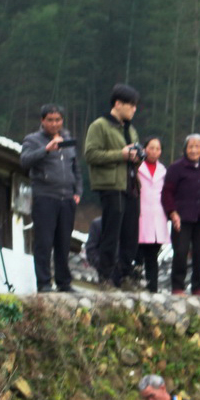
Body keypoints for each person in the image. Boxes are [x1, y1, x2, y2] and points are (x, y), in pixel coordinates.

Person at [18, 105, 81, 294]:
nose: (55, 124)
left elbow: (75, 168)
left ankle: (64, 282)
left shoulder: (67, 139)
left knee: (64, 242)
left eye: (58, 120)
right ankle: (44, 283)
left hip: (67, 198)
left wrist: (77, 190)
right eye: (50, 120)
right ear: (42, 121)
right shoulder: (32, 140)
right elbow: (24, 161)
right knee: (44, 242)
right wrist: (45, 150)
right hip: (45, 196)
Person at [82, 84, 141, 285]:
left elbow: (132, 154)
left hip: (131, 184)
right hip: (111, 185)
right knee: (111, 231)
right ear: (118, 104)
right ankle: (106, 276)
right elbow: (90, 154)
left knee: (130, 233)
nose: (134, 109)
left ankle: (124, 275)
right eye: (131, 105)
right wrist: (121, 154)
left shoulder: (130, 129)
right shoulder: (99, 126)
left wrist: (136, 156)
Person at [164, 133, 200, 295]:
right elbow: (167, 193)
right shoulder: (176, 168)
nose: (194, 150)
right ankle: (178, 286)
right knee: (180, 252)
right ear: (185, 149)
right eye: (191, 147)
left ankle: (198, 287)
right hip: (182, 217)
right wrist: (172, 213)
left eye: (197, 147)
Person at [134, 137, 169, 294]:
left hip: (157, 215)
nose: (154, 151)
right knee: (138, 251)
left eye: (157, 148)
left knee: (153, 254)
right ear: (145, 148)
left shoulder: (163, 171)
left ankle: (152, 287)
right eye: (151, 147)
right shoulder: (137, 167)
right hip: (140, 213)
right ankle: (134, 283)